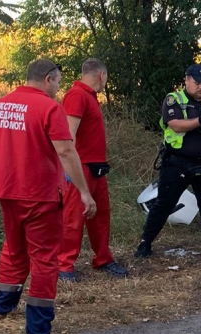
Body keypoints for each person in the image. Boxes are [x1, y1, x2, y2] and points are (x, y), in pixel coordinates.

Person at [0, 59, 97, 334]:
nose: (58, 88)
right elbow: (67, 151)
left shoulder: (0, 105)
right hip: (41, 195)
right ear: (47, 79)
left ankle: (2, 306)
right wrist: (84, 191)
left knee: (14, 248)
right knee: (45, 259)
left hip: (7, 192)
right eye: (57, 82)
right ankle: (39, 332)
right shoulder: (49, 108)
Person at [134, 63, 201, 258]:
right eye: (197, 83)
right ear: (186, 80)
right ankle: (145, 244)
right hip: (178, 163)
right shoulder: (174, 100)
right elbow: (175, 125)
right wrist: (200, 122)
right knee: (164, 204)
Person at [58, 58, 128, 281]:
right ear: (102, 75)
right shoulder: (77, 95)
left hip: (97, 167)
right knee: (73, 217)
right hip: (81, 168)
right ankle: (64, 264)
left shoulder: (89, 97)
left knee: (100, 215)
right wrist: (69, 171)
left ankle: (103, 258)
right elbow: (68, 135)